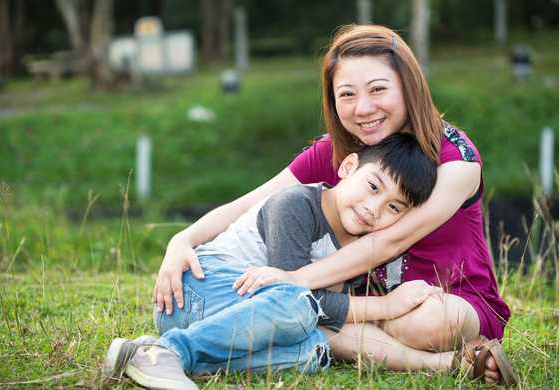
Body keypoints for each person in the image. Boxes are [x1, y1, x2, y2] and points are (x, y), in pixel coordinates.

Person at [152, 24, 515, 386]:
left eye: (378, 89)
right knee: (310, 326)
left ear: (409, 86)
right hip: (350, 305)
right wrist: (182, 239)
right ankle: (440, 362)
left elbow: (390, 241)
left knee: (428, 321)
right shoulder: (339, 151)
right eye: (347, 95)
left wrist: (296, 284)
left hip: (444, 298)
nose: (363, 108)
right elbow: (251, 203)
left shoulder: (455, 158)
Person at [105, 133, 440, 390]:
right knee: (299, 305)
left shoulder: (361, 246)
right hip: (195, 292)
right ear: (348, 167)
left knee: (314, 350)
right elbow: (294, 296)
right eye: (372, 187)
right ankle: (174, 350)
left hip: (233, 320)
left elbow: (317, 313)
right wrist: (386, 306)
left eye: (394, 207)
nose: (374, 208)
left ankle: (161, 355)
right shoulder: (296, 204)